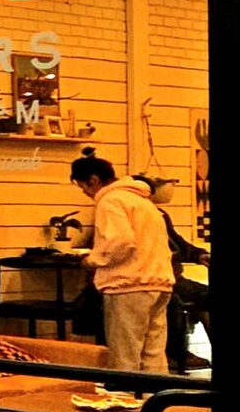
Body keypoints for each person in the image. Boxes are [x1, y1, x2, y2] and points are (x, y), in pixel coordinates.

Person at [70, 154, 176, 375]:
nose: (86, 193)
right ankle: (155, 394)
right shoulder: (143, 201)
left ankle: (125, 394)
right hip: (160, 281)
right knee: (154, 352)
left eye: (83, 187)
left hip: (128, 283)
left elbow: (120, 242)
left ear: (94, 180)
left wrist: (92, 260)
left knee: (125, 353)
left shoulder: (110, 201)